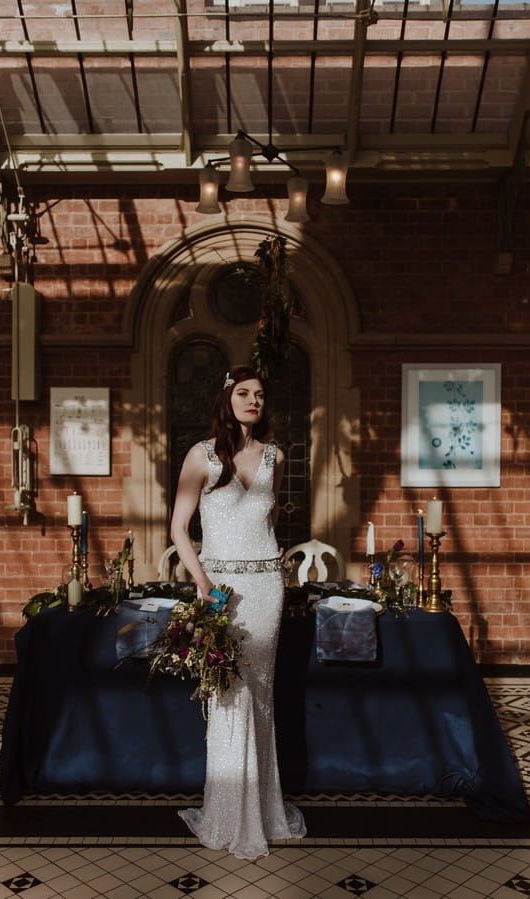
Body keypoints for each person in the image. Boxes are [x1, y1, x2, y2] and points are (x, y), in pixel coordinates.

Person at [170, 364, 307, 860]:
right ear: (227, 399)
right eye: (244, 393)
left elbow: (267, 522)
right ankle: (229, 812)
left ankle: (264, 811)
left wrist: (271, 573)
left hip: (267, 586)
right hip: (220, 588)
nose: (253, 401)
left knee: (261, 695)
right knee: (229, 694)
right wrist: (203, 584)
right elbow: (179, 529)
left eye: (260, 395)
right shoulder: (200, 455)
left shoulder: (274, 456)